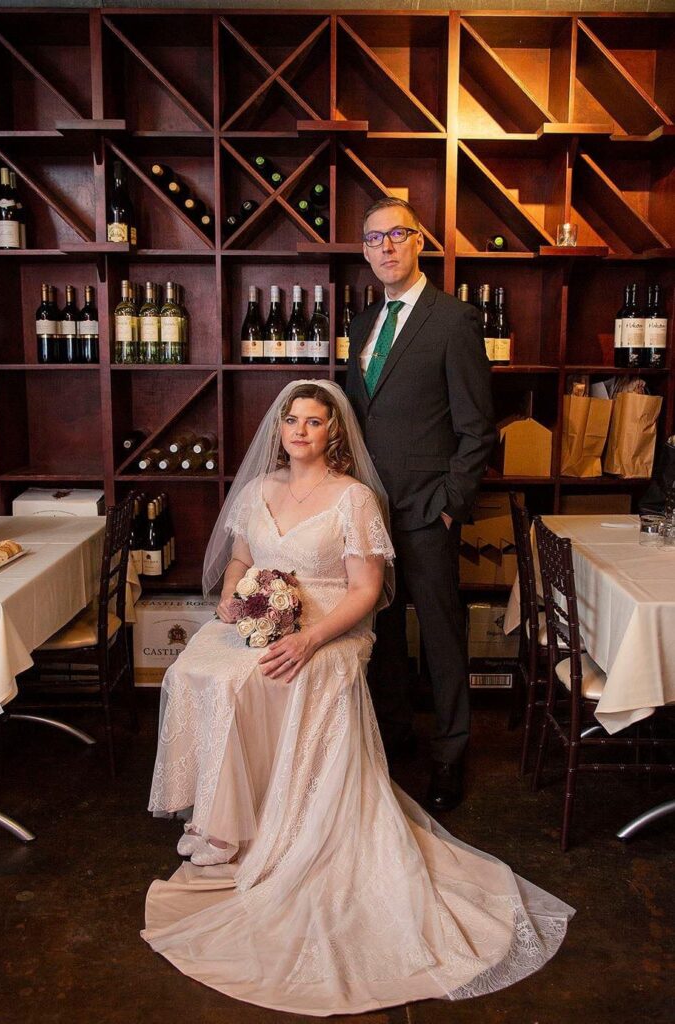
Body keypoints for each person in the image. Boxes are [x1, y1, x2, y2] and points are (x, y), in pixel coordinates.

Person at [142, 379, 573, 1017]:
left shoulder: (356, 499)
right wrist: (232, 600)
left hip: (331, 629)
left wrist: (311, 637)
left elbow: (367, 589)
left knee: (258, 676)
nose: (300, 431)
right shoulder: (258, 491)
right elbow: (237, 561)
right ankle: (229, 821)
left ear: (333, 433)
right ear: (280, 429)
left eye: (314, 422)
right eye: (292, 420)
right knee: (194, 671)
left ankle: (285, 820)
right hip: (259, 622)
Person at [346, 198, 497, 812]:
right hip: (367, 513)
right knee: (380, 633)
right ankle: (396, 733)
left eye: (397, 234)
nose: (385, 246)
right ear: (365, 251)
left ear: (419, 241)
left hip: (428, 510)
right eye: (373, 238)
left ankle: (451, 753)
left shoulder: (453, 319)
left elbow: (478, 428)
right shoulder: (362, 324)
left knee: (440, 635)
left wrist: (450, 504)